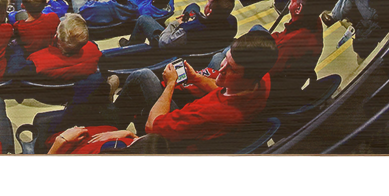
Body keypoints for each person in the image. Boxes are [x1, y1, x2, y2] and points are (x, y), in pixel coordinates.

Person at [109, 30, 279, 152]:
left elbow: (152, 126)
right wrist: (195, 78)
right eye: (227, 60)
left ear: (248, 77)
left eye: (232, 69)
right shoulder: (263, 78)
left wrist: (170, 84)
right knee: (217, 57)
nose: (222, 69)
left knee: (143, 76)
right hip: (207, 124)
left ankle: (112, 123)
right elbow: (223, 88)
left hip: (176, 141)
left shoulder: (210, 113)